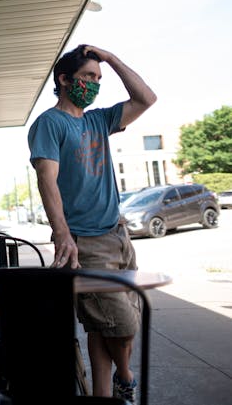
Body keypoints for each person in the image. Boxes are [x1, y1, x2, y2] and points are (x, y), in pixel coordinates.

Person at [28, 44, 156, 402]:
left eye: (98, 79)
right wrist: (63, 233)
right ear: (64, 79)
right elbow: (46, 179)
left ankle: (104, 394)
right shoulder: (49, 124)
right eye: (88, 76)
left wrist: (110, 59)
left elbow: (146, 98)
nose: (94, 84)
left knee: (104, 326)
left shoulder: (99, 120)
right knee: (124, 327)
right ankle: (127, 379)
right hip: (85, 244)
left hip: (118, 236)